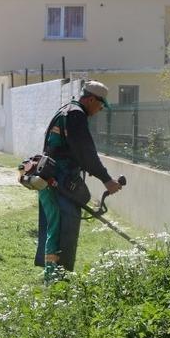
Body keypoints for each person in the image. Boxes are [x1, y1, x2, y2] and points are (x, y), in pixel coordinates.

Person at [35, 81, 122, 282]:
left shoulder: (65, 110)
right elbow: (86, 153)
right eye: (100, 105)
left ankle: (53, 275)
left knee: (54, 227)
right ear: (91, 99)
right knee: (61, 229)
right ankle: (56, 278)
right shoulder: (76, 115)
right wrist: (107, 180)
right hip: (60, 181)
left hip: (51, 178)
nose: (100, 109)